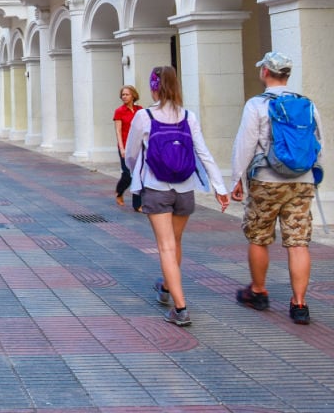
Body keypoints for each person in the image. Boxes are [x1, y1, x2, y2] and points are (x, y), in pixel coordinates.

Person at [125, 66, 229, 326]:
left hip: (157, 188)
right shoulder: (188, 116)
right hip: (185, 188)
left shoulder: (144, 116)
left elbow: (131, 154)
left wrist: (134, 172)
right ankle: (168, 287)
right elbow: (202, 153)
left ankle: (180, 308)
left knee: (165, 246)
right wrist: (220, 187)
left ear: (154, 87)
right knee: (176, 242)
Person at [230, 51, 323, 325]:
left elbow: (245, 144)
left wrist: (237, 178)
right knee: (298, 241)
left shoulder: (256, 105)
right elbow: (319, 142)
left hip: (267, 179)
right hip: (301, 180)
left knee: (259, 236)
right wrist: (315, 174)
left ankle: (258, 291)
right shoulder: (307, 104)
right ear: (287, 74)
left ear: (265, 72)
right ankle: (299, 304)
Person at [114, 85, 143, 211]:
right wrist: (122, 148)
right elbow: (118, 131)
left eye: (127, 94)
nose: (124, 97)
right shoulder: (119, 111)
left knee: (138, 175)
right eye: (123, 95)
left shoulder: (140, 110)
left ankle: (138, 204)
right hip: (125, 147)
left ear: (133, 96)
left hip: (138, 147)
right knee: (127, 174)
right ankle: (119, 192)